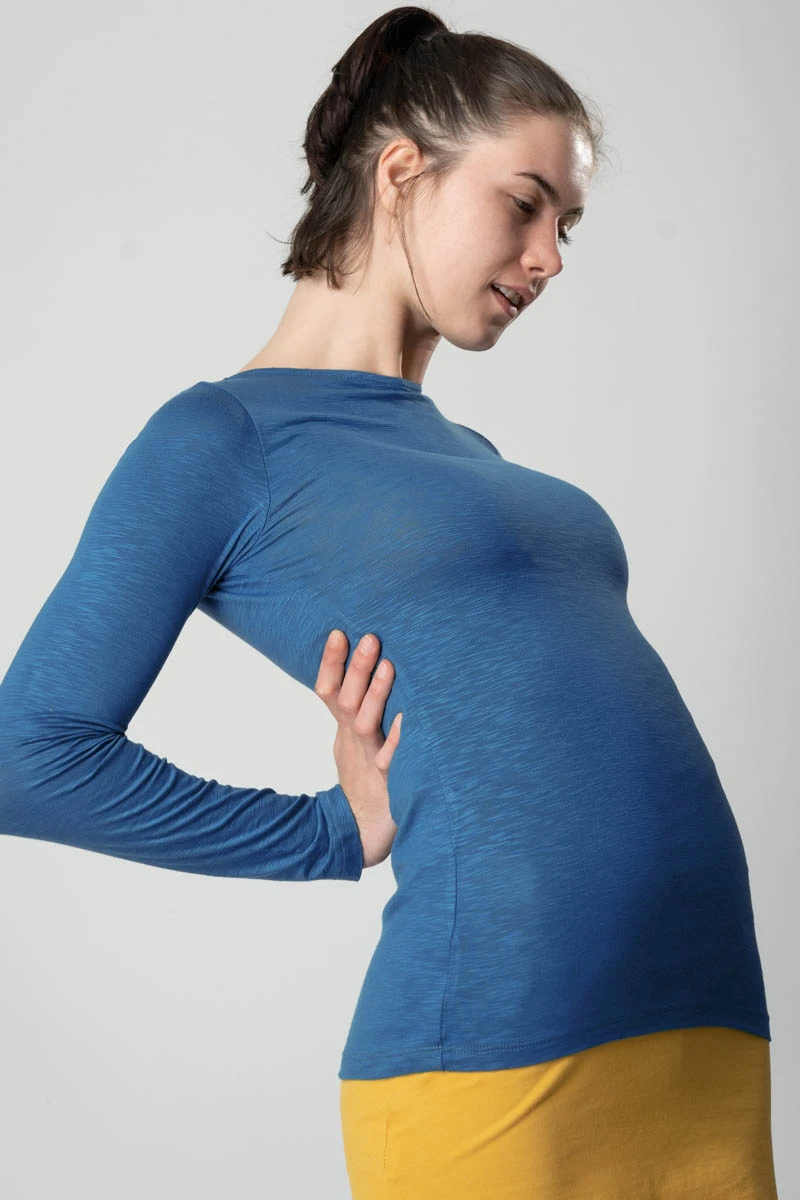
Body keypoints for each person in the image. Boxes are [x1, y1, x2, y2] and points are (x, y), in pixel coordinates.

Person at [0, 6, 779, 1198]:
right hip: (493, 1044)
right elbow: (26, 754)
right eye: (523, 205)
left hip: (700, 1017)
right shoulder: (221, 440)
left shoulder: (464, 448)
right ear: (402, 171)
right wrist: (320, 832)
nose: (550, 258)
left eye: (566, 226)